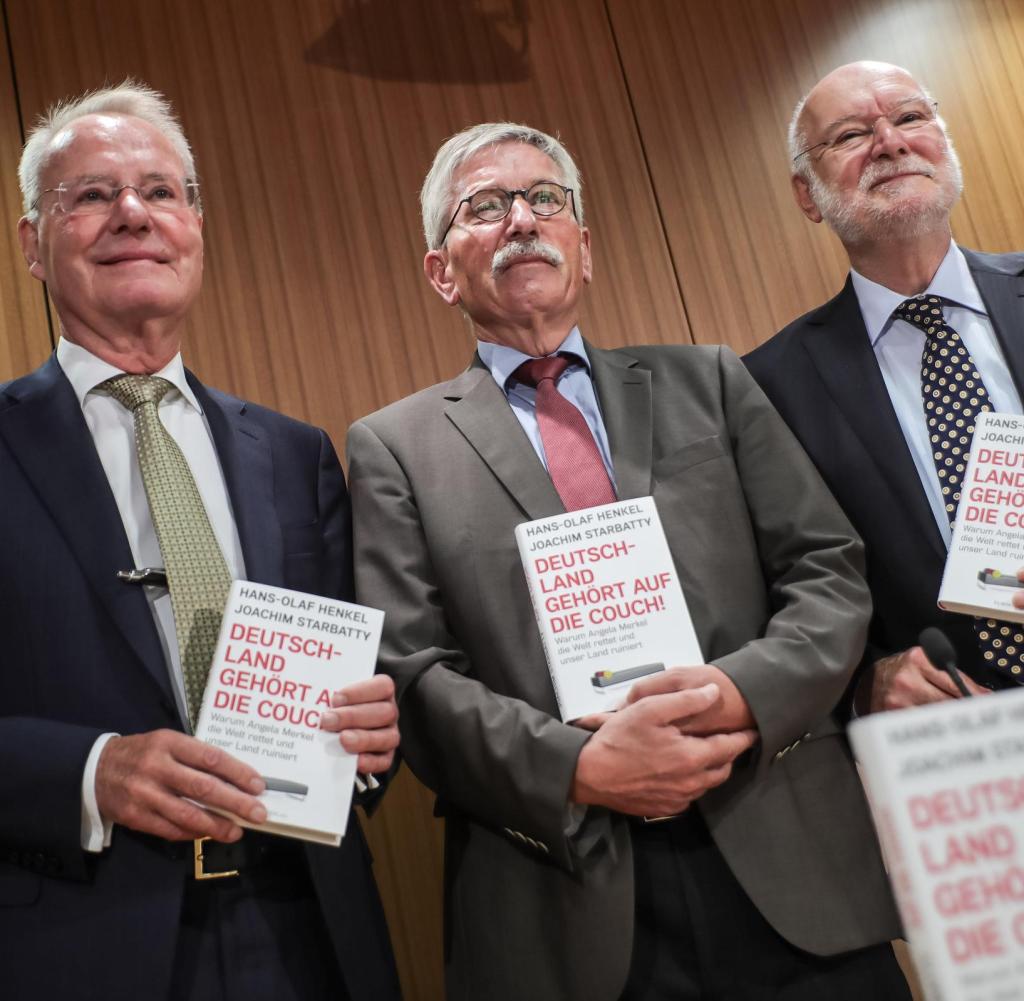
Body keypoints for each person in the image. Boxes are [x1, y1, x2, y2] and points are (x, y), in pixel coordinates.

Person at [347, 122, 908, 1001]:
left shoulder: (711, 380)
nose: (521, 219)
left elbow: (828, 569)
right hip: (567, 897)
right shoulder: (393, 447)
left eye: (546, 200)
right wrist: (578, 769)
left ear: (585, 247)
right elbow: (413, 673)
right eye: (484, 207)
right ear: (440, 269)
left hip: (784, 851)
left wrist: (740, 695)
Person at [0, 82, 400, 1001]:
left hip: (310, 929)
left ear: (196, 228)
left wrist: (382, 730)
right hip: (76, 937)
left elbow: (366, 681)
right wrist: (91, 770)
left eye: (161, 190)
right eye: (91, 195)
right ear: (32, 244)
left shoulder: (298, 454)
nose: (132, 213)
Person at [745, 60, 1024, 712]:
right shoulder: (767, 387)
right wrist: (861, 681)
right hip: (958, 757)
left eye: (909, 117)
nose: (890, 142)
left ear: (944, 146)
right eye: (849, 135)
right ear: (807, 195)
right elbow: (770, 593)